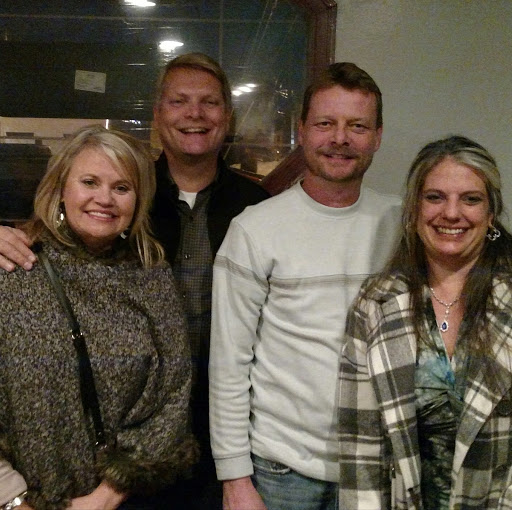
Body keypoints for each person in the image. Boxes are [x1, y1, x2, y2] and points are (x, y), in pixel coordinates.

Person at [0, 53, 269, 509]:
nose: (195, 113)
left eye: (209, 102)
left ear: (227, 116)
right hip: (110, 458)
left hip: (227, 427)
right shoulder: (123, 190)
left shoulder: (258, 207)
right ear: (158, 115)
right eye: (179, 101)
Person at [209, 62, 402, 510]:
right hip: (280, 473)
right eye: (325, 124)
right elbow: (229, 363)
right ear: (302, 131)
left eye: (357, 126)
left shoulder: (402, 224)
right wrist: (234, 476)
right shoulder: (255, 229)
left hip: (376, 469)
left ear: (377, 136)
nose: (340, 138)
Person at [0, 125, 197, 510]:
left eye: (121, 187)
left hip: (124, 501)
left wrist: (106, 497)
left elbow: (172, 393)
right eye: (89, 182)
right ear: (61, 188)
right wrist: (13, 500)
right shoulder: (15, 268)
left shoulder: (151, 277)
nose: (104, 199)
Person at [338, 135, 512, 509]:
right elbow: (361, 447)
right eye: (435, 197)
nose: (451, 213)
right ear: (414, 209)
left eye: (471, 199)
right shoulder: (376, 302)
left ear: (491, 213)